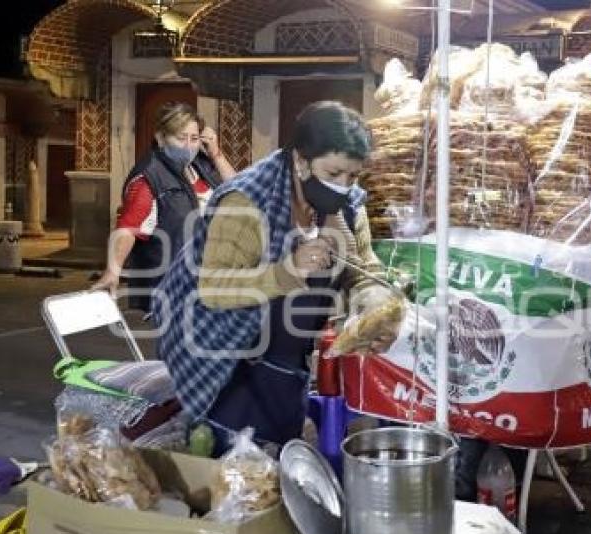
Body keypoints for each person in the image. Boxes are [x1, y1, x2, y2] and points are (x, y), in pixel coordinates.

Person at [152, 101, 399, 453]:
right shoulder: (247, 200)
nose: (344, 186)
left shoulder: (343, 205)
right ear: (300, 161)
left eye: (352, 176)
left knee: (276, 453)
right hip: (222, 348)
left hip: (285, 354)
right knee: (228, 461)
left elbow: (361, 263)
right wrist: (289, 270)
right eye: (333, 174)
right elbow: (212, 289)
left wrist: (373, 299)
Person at [91, 102, 237, 311]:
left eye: (194, 138)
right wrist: (112, 270)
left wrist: (215, 153)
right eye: (180, 137)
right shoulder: (149, 177)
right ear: (160, 138)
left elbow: (238, 191)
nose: (188, 145)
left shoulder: (200, 167)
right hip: (175, 286)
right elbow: (129, 226)